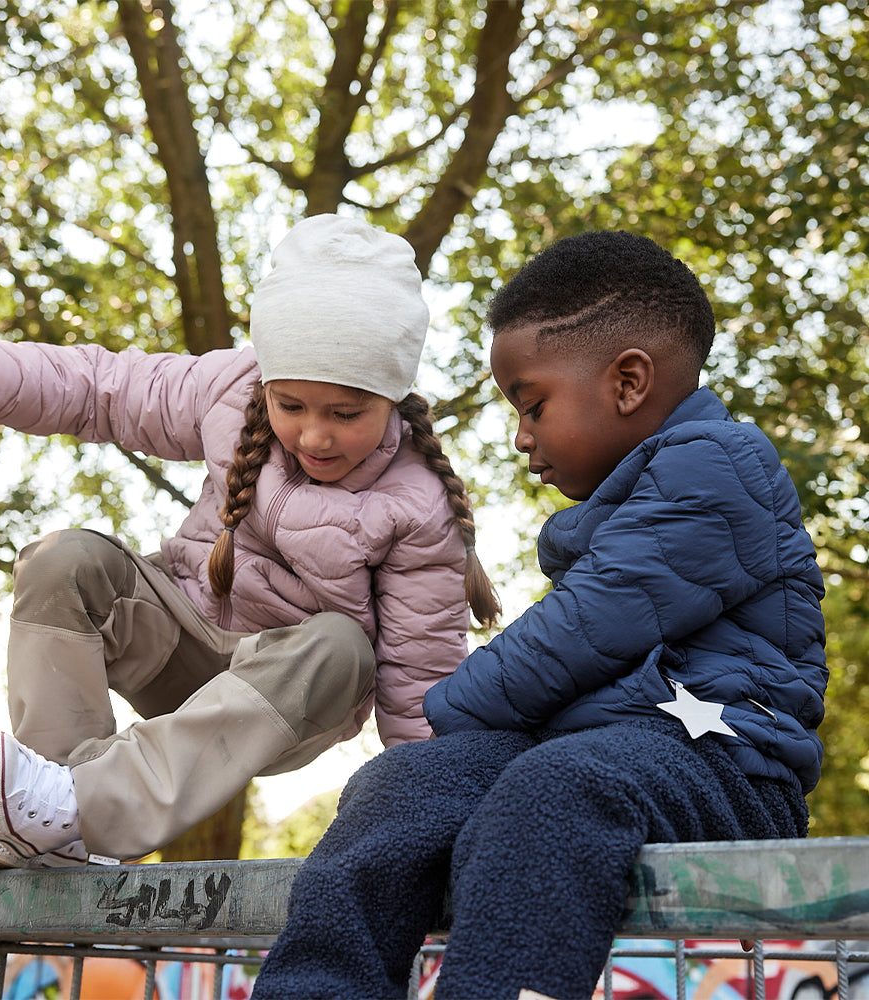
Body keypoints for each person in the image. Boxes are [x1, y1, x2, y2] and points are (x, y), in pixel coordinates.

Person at [250, 230, 828, 1000]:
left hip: (729, 766)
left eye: (533, 405)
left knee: (555, 788)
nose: (521, 437)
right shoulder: (626, 510)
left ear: (627, 382)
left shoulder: (719, 467)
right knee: (403, 783)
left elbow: (573, 640)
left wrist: (442, 704)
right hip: (615, 753)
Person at [0, 213, 500, 871]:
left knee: (343, 647)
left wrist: (435, 828)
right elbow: (103, 386)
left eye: (346, 415)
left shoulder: (417, 503)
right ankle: (60, 823)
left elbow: (417, 684)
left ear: (393, 397)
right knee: (66, 559)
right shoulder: (226, 388)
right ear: (267, 382)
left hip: (283, 694)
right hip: (178, 641)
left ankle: (86, 809)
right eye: (291, 406)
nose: (315, 436)